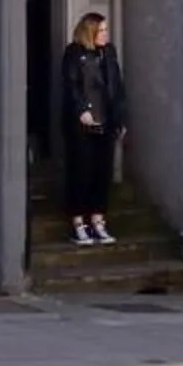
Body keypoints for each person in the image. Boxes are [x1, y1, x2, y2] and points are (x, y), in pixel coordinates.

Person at [59, 12, 127, 248]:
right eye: (102, 30)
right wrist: (81, 109)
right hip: (81, 124)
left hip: (105, 120)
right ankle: (78, 222)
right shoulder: (74, 53)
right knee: (81, 172)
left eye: (106, 30)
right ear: (90, 31)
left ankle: (98, 220)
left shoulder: (108, 53)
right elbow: (71, 84)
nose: (106, 34)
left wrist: (120, 118)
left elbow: (117, 87)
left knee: (102, 172)